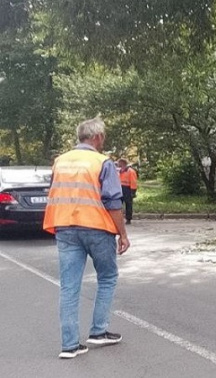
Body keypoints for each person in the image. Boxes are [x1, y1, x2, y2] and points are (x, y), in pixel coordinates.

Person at [43, 118, 130, 359]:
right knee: (108, 276)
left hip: (65, 228)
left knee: (69, 286)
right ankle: (98, 331)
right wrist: (122, 233)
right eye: (103, 137)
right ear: (98, 137)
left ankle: (69, 345)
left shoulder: (60, 161)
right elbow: (113, 201)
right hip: (96, 227)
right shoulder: (102, 162)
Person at [117, 159, 138, 225]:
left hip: (128, 189)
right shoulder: (120, 171)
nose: (118, 164)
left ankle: (128, 219)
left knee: (128, 204)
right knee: (118, 204)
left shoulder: (131, 171)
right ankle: (119, 218)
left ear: (123, 163)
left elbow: (133, 182)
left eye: (119, 163)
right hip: (120, 188)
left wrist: (133, 192)